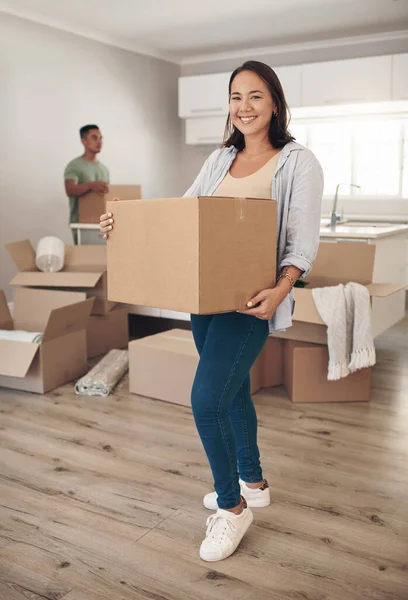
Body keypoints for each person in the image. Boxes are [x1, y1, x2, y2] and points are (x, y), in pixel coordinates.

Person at [99, 60, 323, 562]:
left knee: (206, 400)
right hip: (207, 300)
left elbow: (302, 243)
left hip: (250, 305)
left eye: (256, 96)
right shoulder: (220, 158)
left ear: (275, 103)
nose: (244, 107)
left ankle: (233, 507)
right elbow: (181, 217)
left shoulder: (298, 162)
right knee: (232, 391)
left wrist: (283, 288)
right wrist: (123, 223)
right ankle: (254, 481)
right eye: (235, 97)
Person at [64, 124, 109, 243]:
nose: (99, 141)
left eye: (101, 138)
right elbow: (70, 190)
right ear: (83, 141)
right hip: (81, 226)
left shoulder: (104, 169)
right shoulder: (75, 166)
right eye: (94, 138)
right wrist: (90, 185)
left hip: (102, 226)